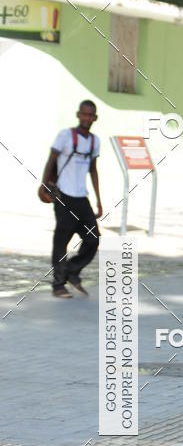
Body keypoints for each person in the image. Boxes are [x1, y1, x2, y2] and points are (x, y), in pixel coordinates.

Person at [42, 100, 102, 298]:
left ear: (95, 118)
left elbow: (93, 170)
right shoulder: (65, 136)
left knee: (93, 239)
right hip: (63, 196)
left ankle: (72, 271)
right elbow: (51, 160)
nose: (87, 118)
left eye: (90, 115)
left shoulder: (95, 141)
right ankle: (58, 285)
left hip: (81, 198)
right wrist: (44, 186)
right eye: (84, 114)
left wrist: (99, 200)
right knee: (62, 241)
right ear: (78, 115)